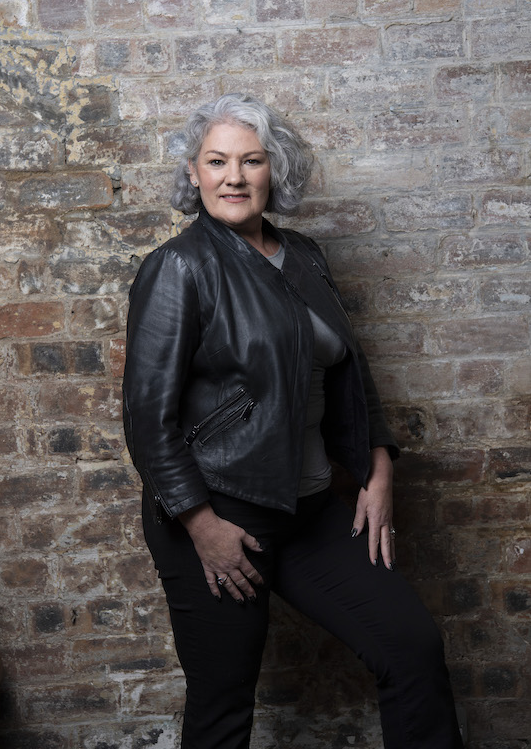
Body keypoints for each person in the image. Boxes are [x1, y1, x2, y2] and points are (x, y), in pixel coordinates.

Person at [122, 93, 464, 749]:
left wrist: (378, 467)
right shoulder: (180, 267)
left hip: (308, 509)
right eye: (216, 161)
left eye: (252, 160)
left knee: (410, 646)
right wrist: (202, 526)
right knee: (223, 705)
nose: (234, 177)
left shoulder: (303, 255)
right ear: (192, 173)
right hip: (219, 512)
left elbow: (349, 373)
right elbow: (146, 419)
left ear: (273, 170)